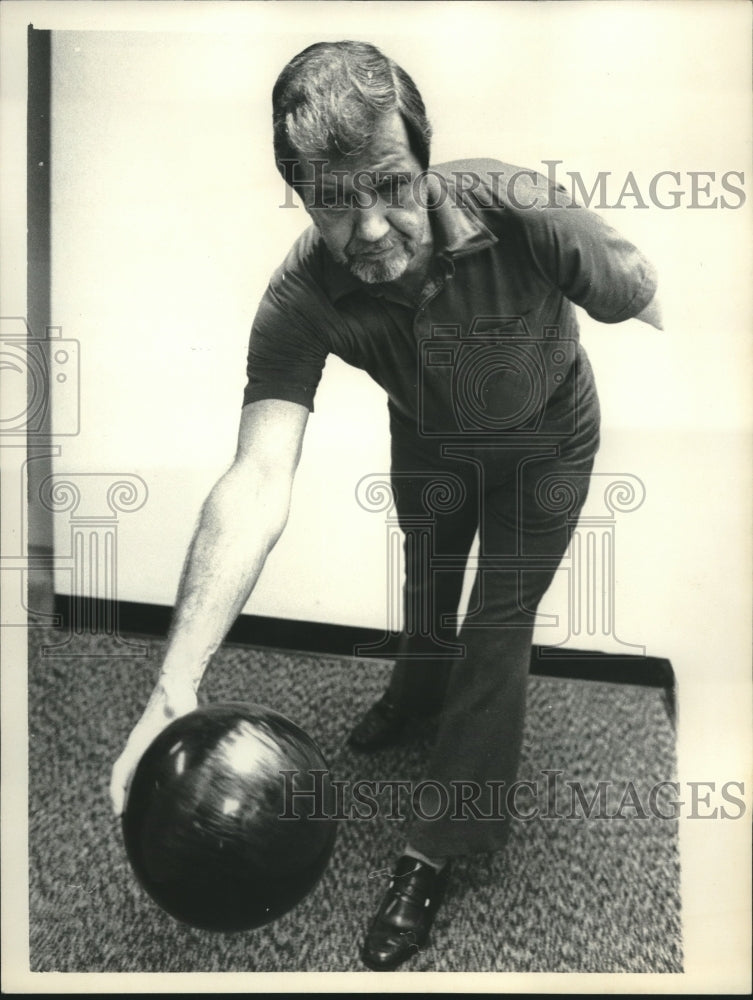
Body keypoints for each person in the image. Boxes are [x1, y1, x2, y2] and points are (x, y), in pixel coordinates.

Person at [110, 40, 662, 970]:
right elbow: (255, 479)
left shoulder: (521, 207)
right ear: (300, 195)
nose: (367, 228)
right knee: (427, 580)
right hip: (431, 440)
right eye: (332, 199)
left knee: (497, 626)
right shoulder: (297, 300)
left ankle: (440, 848)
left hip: (546, 443)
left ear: (424, 159)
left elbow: (647, 292)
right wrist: (175, 678)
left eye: (389, 185)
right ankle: (414, 695)